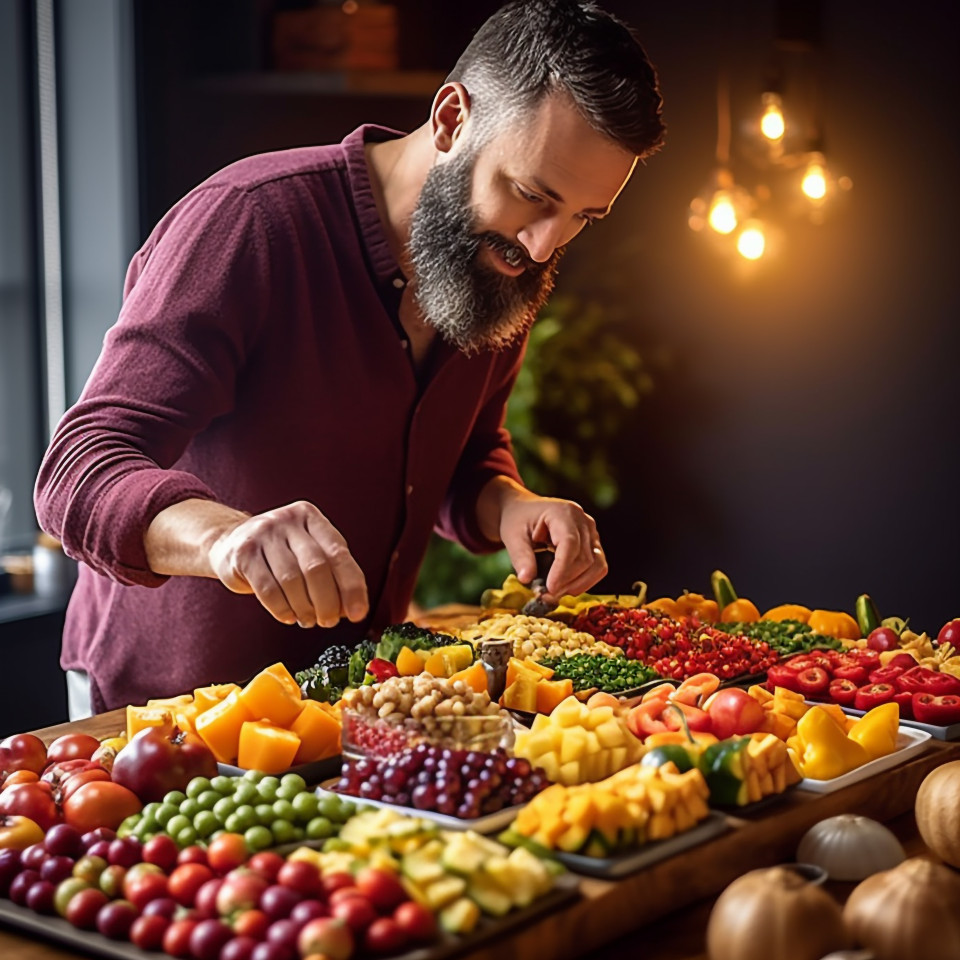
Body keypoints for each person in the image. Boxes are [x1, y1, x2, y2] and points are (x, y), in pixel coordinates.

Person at [34, 0, 665, 717]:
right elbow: (77, 472)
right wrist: (228, 540)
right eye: (531, 194)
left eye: (584, 217)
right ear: (454, 118)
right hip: (167, 708)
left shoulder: (502, 261)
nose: (546, 245)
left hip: (356, 701)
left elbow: (463, 458)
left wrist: (512, 504)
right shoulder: (248, 221)